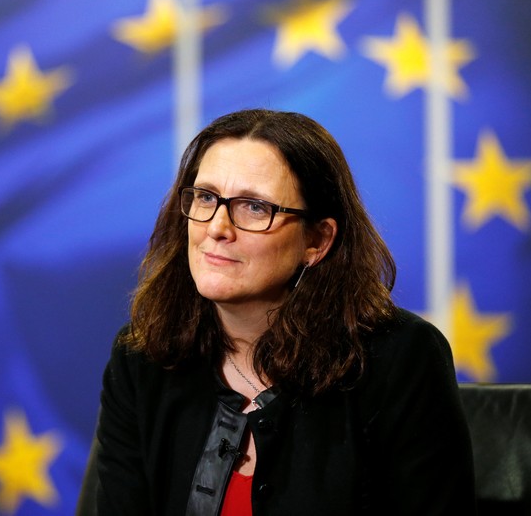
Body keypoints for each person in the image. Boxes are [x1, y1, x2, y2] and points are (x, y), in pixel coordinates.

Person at [77, 109, 476, 515]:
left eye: (254, 207)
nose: (217, 227)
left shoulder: (400, 359)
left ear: (317, 241)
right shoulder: (142, 359)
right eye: (206, 197)